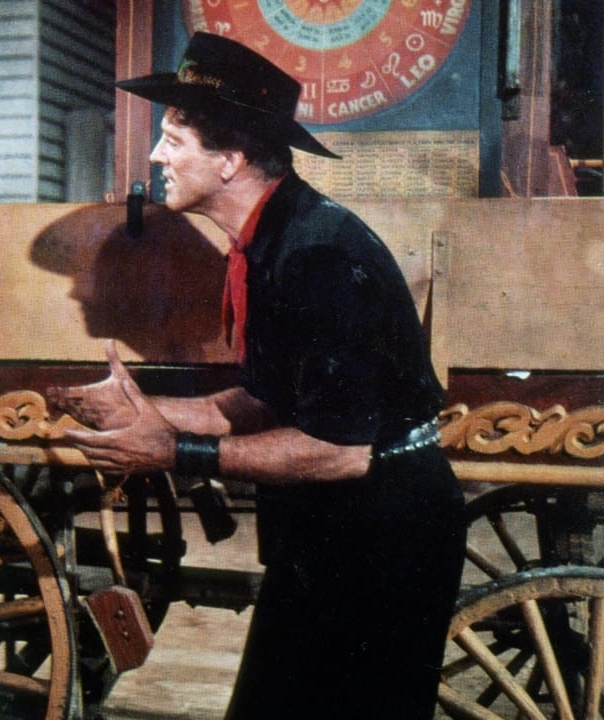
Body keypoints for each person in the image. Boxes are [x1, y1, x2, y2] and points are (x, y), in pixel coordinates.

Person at [49, 32, 465, 720]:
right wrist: (146, 409)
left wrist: (173, 451)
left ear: (230, 160)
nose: (155, 158)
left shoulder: (318, 255)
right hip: (328, 531)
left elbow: (341, 450)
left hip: (384, 539)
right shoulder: (274, 239)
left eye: (173, 140)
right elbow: (267, 398)